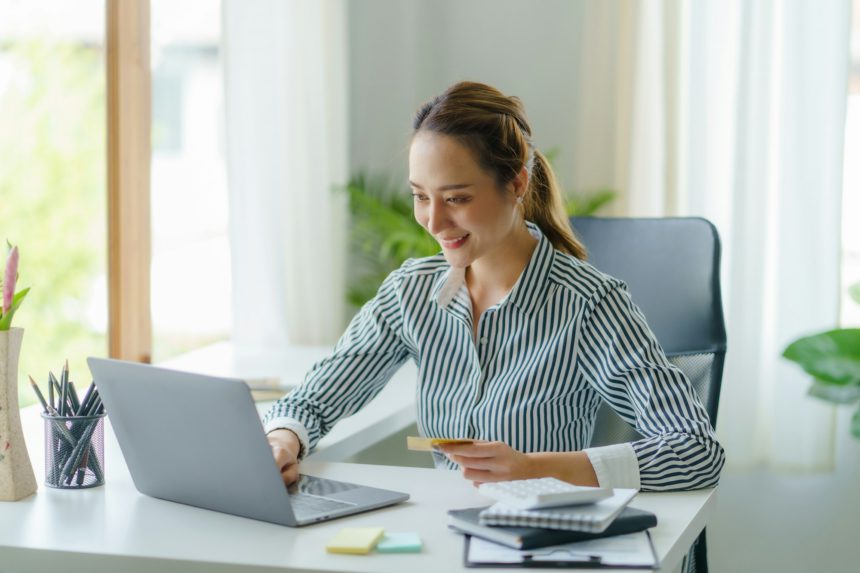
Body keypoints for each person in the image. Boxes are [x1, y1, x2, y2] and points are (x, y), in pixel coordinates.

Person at [264, 81, 725, 491]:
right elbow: (314, 400)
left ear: (517, 183)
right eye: (421, 197)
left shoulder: (587, 304)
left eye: (457, 198)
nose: (434, 221)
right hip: (446, 541)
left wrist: (536, 467)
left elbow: (695, 451)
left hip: (544, 548)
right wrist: (283, 440)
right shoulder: (410, 293)